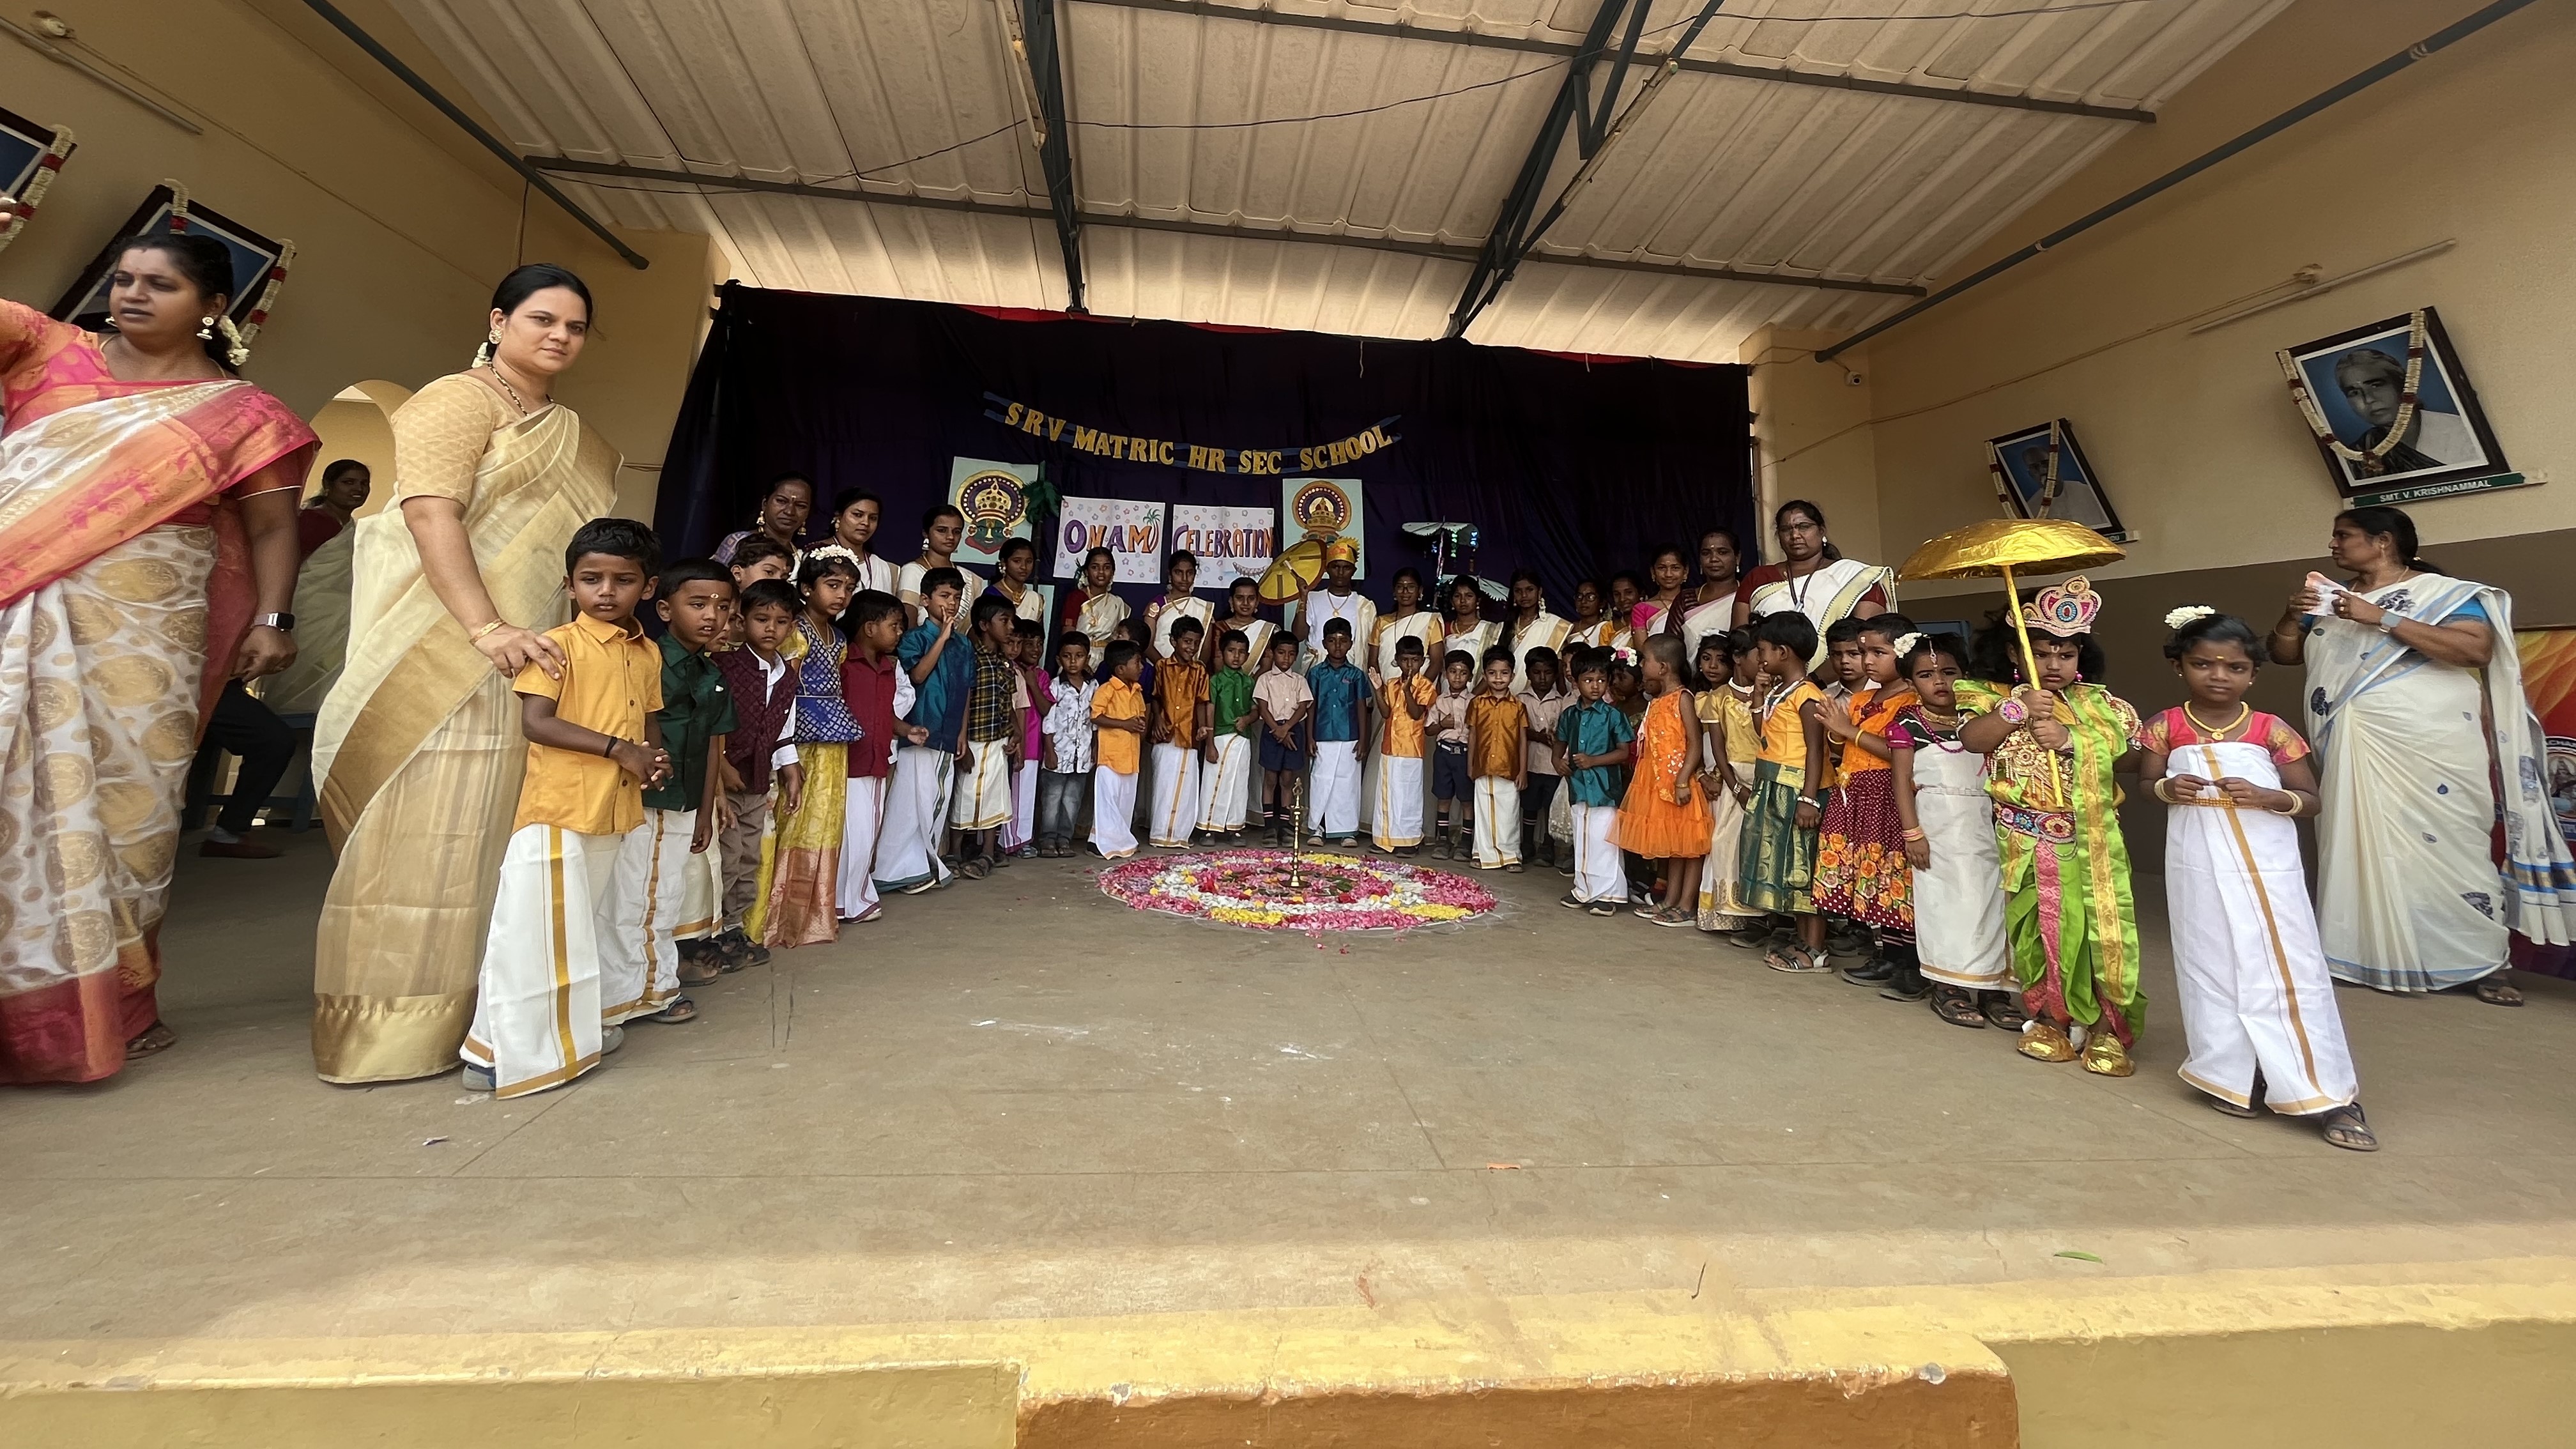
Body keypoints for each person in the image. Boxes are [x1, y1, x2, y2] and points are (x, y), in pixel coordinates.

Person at [0, 231, 316, 1083]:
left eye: (160, 285)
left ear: (212, 307)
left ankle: (117, 1008)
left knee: (131, 817)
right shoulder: (47, 350)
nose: (132, 294)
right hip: (17, 604)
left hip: (148, 631)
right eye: (125, 279)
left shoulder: (245, 413)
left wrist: (273, 618)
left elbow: (272, 527)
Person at [314, 263, 615, 1085]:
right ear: (498, 321)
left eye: (575, 327)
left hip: (529, 661)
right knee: (416, 832)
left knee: (487, 836)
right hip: (446, 648)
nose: (560, 336)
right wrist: (485, 627)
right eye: (542, 319)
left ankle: (477, 1020)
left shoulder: (572, 431)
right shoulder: (457, 399)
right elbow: (428, 513)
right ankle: (385, 1030)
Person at [2268, 505, 2573, 1005]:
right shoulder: (2331, 597)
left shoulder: (2444, 594)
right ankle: (2361, 953)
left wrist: (2380, 617)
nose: (2333, 545)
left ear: (2383, 542)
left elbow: (2474, 651)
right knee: (2357, 840)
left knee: (2452, 843)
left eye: (2344, 535)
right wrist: (2289, 616)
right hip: (2353, 736)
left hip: (2433, 740)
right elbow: (2283, 654)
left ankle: (2484, 962)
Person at [2145, 608, 2372, 1151]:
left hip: (2267, 867)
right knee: (2210, 961)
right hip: (2196, 862)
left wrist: (2270, 796)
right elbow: (2147, 782)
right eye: (2203, 664)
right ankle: (2231, 1074)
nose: (2219, 676)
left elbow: (2311, 800)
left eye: (2235, 667)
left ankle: (2325, 1091)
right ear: (2180, 666)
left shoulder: (2271, 729)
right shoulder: (2164, 727)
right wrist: (2167, 789)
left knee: (2287, 965)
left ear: (2253, 673)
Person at [462, 518, 670, 1096]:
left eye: (623, 580)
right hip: (557, 810)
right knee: (531, 932)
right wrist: (620, 750)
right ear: (569, 584)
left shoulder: (647, 651)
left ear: (648, 588)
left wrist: (653, 759)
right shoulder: (556, 645)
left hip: (612, 809)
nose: (606, 591)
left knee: (576, 931)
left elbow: (649, 719)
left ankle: (565, 1036)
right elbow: (537, 723)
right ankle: (500, 1054)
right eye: (591, 579)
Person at [1959, 578, 2143, 1075]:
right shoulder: (1990, 696)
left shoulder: (2100, 703)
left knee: (2099, 931)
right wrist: (2017, 711)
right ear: (2014, 654)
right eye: (2041, 654)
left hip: (2090, 839)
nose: (2053, 665)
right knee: (2037, 932)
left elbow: (2134, 757)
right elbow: (1974, 740)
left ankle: (2106, 1029)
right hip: (2024, 839)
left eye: (2065, 654)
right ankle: (2049, 1020)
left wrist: (2073, 740)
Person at [1888, 633, 2017, 1031]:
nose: (1940, 682)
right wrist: (1913, 833)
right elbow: (1901, 782)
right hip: (1938, 828)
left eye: (1949, 672)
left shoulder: (1981, 721)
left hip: (1987, 824)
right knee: (1946, 905)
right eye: (1926, 675)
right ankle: (1948, 986)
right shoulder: (1907, 725)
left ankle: (1994, 989)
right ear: (1910, 682)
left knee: (1994, 905)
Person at [623, 559, 734, 1016]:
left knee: (665, 896)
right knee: (636, 898)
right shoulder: (645, 661)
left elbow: (711, 747)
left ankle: (653, 987)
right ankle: (643, 993)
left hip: (685, 802)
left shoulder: (711, 673)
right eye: (698, 604)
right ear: (666, 609)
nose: (712, 615)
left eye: (723, 607)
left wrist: (704, 811)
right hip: (645, 799)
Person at [754, 550, 863, 946]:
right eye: (832, 585)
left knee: (825, 820)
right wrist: (786, 754)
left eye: (848, 588)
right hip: (798, 738)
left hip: (833, 737)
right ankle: (777, 919)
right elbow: (784, 693)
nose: (842, 595)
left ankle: (812, 917)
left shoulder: (839, 638)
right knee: (794, 817)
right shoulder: (796, 631)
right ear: (805, 588)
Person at [1813, 615, 1924, 997]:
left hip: (1889, 797)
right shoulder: (1863, 699)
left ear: (1905, 653)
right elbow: (1845, 745)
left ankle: (1910, 962)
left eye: (1879, 652)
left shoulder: (1912, 701)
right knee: (1873, 877)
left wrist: (1849, 731)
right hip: (1856, 793)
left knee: (1896, 878)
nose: (1868, 661)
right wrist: (1837, 731)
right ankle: (1887, 954)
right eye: (1865, 653)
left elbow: (1899, 754)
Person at [709, 579, 806, 963]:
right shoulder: (724, 666)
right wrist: (722, 767)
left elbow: (781, 728)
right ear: (741, 621)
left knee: (749, 857)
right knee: (726, 857)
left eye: (781, 622)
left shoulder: (788, 675)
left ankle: (735, 927)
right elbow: (711, 725)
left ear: (792, 627)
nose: (771, 629)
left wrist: (790, 769)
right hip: (722, 780)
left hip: (756, 781)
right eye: (761, 619)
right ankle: (710, 931)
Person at [1738, 612, 1830, 972]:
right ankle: (1803, 940)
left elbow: (1816, 749)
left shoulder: (1808, 696)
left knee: (1804, 867)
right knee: (1790, 867)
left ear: (1783, 652)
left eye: (1762, 650)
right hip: (1775, 785)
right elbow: (1763, 730)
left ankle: (1816, 949)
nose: (1759, 657)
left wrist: (1808, 799)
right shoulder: (1780, 691)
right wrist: (1760, 694)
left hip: (1797, 790)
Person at [1615, 635, 1710, 923]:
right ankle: (1670, 900)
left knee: (1690, 848)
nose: (1642, 665)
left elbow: (1694, 744)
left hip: (1679, 783)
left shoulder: (1683, 698)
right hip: (1658, 783)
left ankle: (1686, 904)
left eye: (1646, 660)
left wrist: (1682, 781)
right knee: (1674, 846)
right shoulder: (1658, 700)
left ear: (1663, 667)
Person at [1735, 500, 1892, 668]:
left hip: (1843, 676)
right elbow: (1741, 642)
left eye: (1804, 527)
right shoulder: (1758, 578)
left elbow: (1864, 640)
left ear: (1821, 531)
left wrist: (1815, 679)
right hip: (1767, 677)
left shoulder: (1856, 577)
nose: (1795, 535)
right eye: (1786, 529)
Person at [891, 567, 972, 888]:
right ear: (925, 600)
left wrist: (962, 732)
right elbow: (917, 676)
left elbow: (966, 689)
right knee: (911, 802)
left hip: (948, 734)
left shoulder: (964, 644)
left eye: (957, 597)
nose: (951, 603)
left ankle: (923, 866)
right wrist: (941, 638)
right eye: (944, 596)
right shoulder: (914, 638)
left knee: (936, 800)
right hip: (920, 732)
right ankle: (901, 869)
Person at [847, 588, 928, 901]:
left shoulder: (888, 668)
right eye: (894, 626)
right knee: (852, 834)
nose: (899, 633)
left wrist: (907, 730)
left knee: (869, 832)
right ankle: (847, 900)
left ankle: (857, 896)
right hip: (850, 765)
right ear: (870, 628)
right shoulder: (846, 664)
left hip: (879, 759)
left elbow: (885, 714)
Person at [1694, 632, 1764, 944]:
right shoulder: (1717, 698)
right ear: (1739, 658)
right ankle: (1729, 913)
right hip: (1733, 778)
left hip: (1766, 776)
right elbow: (1718, 749)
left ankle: (1761, 919)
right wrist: (1735, 787)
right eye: (1758, 656)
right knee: (1726, 843)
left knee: (1758, 848)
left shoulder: (1770, 693)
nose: (1764, 662)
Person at [1556, 650, 1637, 917]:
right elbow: (1560, 744)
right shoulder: (1569, 715)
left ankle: (1609, 894)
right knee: (1583, 839)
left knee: (1605, 841)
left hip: (1605, 788)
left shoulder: (1613, 715)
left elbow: (1623, 753)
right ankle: (1583, 889)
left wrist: (1593, 761)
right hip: (1579, 786)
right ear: (1575, 681)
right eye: (1588, 680)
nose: (1595, 686)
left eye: (1601, 681)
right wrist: (1557, 761)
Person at [950, 595, 1024, 877]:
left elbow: (1008, 702)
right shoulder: (970, 658)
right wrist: (962, 741)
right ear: (984, 625)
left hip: (998, 740)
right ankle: (955, 853)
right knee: (964, 794)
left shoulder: (1004, 663)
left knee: (996, 795)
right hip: (972, 739)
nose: (1010, 627)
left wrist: (1016, 732)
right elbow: (962, 701)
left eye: (1011, 621)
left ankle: (988, 853)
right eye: (1004, 621)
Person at [189, 680, 298, 859]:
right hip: (187, 682)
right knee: (274, 741)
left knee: (273, 740)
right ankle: (226, 834)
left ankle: (226, 833)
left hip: (216, 683)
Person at [2330, 348, 2478, 477]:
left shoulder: (2461, 431)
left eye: (2376, 385)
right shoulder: (2359, 453)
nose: (2368, 399)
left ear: (2402, 385)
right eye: (2354, 393)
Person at [1307, 619, 1372, 848]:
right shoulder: (1316, 674)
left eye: (1343, 641)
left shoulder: (1356, 675)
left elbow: (1362, 708)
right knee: (1321, 782)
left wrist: (1363, 739)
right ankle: (1318, 828)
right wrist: (1309, 737)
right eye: (1332, 641)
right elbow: (1311, 706)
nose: (1338, 646)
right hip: (1322, 735)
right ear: (1324, 643)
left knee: (1347, 784)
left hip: (1350, 737)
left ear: (1351, 643)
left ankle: (1347, 831)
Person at [1147, 616, 1211, 848]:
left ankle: (1180, 834)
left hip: (1189, 734)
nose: (1191, 647)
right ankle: (1161, 833)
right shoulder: (1162, 667)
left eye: (1196, 643)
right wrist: (1157, 719)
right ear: (1174, 641)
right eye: (1187, 641)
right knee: (1164, 785)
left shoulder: (1200, 671)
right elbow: (1155, 697)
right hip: (1165, 733)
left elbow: (1202, 702)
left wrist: (1203, 727)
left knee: (1186, 786)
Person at [1467, 648, 1531, 872]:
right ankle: (1481, 853)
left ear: (1512, 676)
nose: (1498, 678)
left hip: (1509, 767)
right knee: (1483, 812)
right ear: (1485, 675)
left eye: (1504, 673)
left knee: (1509, 813)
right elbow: (1473, 735)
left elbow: (1523, 740)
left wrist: (1523, 771)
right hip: (1483, 765)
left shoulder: (1518, 706)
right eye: (1493, 673)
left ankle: (1511, 856)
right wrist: (1470, 765)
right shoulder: (1477, 704)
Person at [1372, 636, 1437, 854]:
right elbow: (1386, 713)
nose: (1410, 665)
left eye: (1415, 660)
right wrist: (1378, 690)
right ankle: (1385, 839)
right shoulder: (1391, 684)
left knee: (1408, 795)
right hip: (1390, 746)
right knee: (1387, 795)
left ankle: (1409, 841)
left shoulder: (1426, 686)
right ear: (1397, 660)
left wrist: (1408, 690)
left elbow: (1416, 714)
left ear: (1423, 661)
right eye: (1405, 660)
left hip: (1411, 749)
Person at [1037, 633, 1098, 858]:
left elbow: (1095, 722)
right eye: (1067, 656)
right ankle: (1047, 840)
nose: (1073, 661)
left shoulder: (1094, 686)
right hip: (1058, 754)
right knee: (1052, 799)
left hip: (1081, 757)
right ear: (1058, 659)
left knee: (1072, 800)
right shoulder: (1055, 686)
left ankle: (1064, 840)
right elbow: (1049, 722)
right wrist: (1050, 751)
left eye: (1079, 656)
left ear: (1087, 658)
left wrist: (1095, 748)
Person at [1089, 641, 1149, 859]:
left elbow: (1141, 717)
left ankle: (1120, 842)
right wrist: (1125, 724)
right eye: (1137, 662)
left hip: (1131, 757)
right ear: (1121, 669)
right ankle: (1099, 843)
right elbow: (1095, 716)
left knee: (1125, 803)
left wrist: (1140, 725)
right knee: (1108, 804)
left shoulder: (1138, 692)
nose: (1142, 667)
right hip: (1111, 758)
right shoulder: (1107, 690)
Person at [1254, 632, 1314, 845]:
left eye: (1291, 654)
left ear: (1296, 656)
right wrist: (1278, 730)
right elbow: (1263, 708)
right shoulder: (1265, 679)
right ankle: (1269, 827)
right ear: (1272, 653)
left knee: (1287, 779)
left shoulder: (1300, 681)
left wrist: (1286, 728)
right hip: (1271, 730)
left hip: (1293, 730)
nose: (1286, 658)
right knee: (1270, 778)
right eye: (1281, 653)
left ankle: (1286, 826)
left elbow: (1303, 707)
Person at [1199, 629, 1257, 843]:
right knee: (1214, 782)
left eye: (1241, 652)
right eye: (1231, 651)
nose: (1236, 656)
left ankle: (1235, 827)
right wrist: (1210, 744)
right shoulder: (1215, 681)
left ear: (1247, 656)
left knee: (1239, 783)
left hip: (1242, 739)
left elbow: (1256, 710)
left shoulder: (1249, 682)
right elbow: (1210, 711)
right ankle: (1209, 827)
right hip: (1220, 738)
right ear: (1222, 653)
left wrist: (1247, 720)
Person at [1517, 647, 1571, 867]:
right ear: (1528, 673)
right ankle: (1527, 844)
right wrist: (1537, 736)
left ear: (1555, 675)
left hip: (1552, 767)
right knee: (1529, 806)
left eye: (1548, 673)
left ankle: (1548, 847)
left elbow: (1565, 732)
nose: (1542, 678)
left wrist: (1555, 736)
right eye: (1537, 673)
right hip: (1529, 763)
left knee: (1550, 806)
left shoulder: (1561, 702)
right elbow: (1516, 730)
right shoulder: (1520, 700)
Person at [1003, 617, 1050, 857]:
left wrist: (1032, 683)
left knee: (1025, 796)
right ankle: (1012, 842)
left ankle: (1020, 840)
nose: (1035, 649)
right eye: (1028, 644)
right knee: (1011, 795)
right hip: (1013, 742)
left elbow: (1045, 709)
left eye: (1039, 644)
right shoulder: (1009, 669)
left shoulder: (1040, 676)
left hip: (1033, 744)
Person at [1293, 539, 1374, 667]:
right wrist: (1303, 598)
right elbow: (1298, 636)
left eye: (1346, 568)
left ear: (1354, 571)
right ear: (1327, 569)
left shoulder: (1364, 606)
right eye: (1336, 567)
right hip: (1316, 670)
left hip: (1350, 670)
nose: (1341, 573)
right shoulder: (1312, 598)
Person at [1426, 649, 1476, 859]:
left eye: (1463, 673)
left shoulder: (1475, 702)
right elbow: (1428, 730)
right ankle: (1443, 840)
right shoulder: (1440, 701)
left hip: (1465, 755)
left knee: (1467, 799)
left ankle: (1465, 842)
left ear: (1471, 677)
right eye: (1453, 672)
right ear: (1446, 674)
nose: (1457, 677)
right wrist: (1442, 725)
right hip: (1444, 754)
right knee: (1444, 797)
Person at [899, 505, 982, 627]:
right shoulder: (913, 571)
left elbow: (973, 629)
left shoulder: (971, 579)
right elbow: (907, 624)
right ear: (926, 533)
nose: (950, 537)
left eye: (956, 532)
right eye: (942, 530)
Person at [712, 472, 813, 569]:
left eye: (801, 506)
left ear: (808, 513)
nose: (790, 512)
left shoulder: (803, 558)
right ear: (765, 504)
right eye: (781, 501)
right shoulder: (737, 543)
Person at [1671, 528, 1744, 658]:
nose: (1713, 559)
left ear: (1737, 558)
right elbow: (1670, 648)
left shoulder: (1747, 595)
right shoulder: (1686, 599)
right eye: (1706, 553)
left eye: (1722, 552)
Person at [822, 487, 900, 595]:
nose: (866, 523)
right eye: (858, 515)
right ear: (838, 516)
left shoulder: (885, 568)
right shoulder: (815, 555)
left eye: (873, 518)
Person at [1504, 569, 1572, 693]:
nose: (1524, 595)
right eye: (1518, 591)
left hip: (1543, 695)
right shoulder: (1504, 626)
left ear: (1539, 591)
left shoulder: (1556, 626)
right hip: (1505, 695)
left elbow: (1558, 668)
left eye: (1530, 590)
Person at [1146, 549, 1214, 663]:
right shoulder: (1157, 605)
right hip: (1159, 669)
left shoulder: (1204, 609)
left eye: (1189, 573)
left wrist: (1195, 670)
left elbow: (1205, 650)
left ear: (1195, 574)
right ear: (1170, 574)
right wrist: (1166, 668)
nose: (1184, 578)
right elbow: (1147, 645)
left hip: (1193, 671)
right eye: (1178, 572)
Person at [298, 458, 371, 558]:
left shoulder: (349, 525)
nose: (359, 489)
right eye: (349, 482)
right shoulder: (313, 521)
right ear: (327, 485)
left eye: (364, 483)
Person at [1063, 546, 1130, 650]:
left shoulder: (1117, 603)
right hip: (1080, 655)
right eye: (1095, 567)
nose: (1101, 572)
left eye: (1106, 568)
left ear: (1113, 572)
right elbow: (1068, 635)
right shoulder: (1076, 598)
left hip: (1108, 656)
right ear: (1086, 572)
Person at [1443, 576, 1502, 666]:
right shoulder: (1443, 628)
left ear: (1478, 600)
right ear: (1452, 602)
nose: (1463, 600)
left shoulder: (1491, 630)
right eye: (1457, 596)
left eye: (1469, 596)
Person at [988, 537, 1047, 628]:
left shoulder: (1036, 600)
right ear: (1004, 563)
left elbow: (1037, 634)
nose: (1024, 567)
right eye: (1017, 561)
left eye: (1029, 562)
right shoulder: (991, 595)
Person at [1632, 546, 1690, 638]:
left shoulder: (1694, 602)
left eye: (1675, 568)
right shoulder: (1641, 610)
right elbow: (1642, 646)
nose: (1668, 574)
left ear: (1685, 572)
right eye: (1662, 568)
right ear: (1653, 572)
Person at [1566, 578, 1616, 651]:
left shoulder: (1608, 628)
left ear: (1602, 603)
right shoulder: (1568, 629)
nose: (1583, 601)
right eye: (1579, 596)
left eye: (1590, 597)